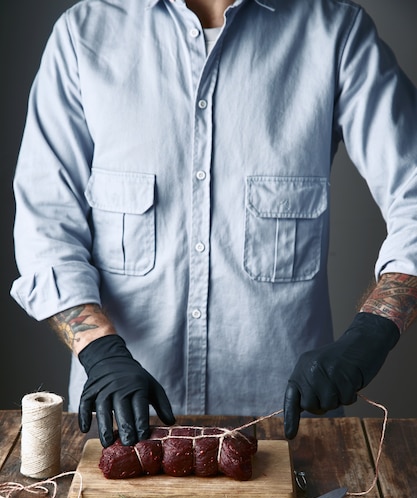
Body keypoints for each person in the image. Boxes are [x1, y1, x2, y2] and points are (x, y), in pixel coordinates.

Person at [11, 0, 417, 448]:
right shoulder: (83, 33)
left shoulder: (337, 33)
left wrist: (373, 331)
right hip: (123, 432)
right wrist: (100, 350)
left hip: (289, 434)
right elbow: (45, 219)